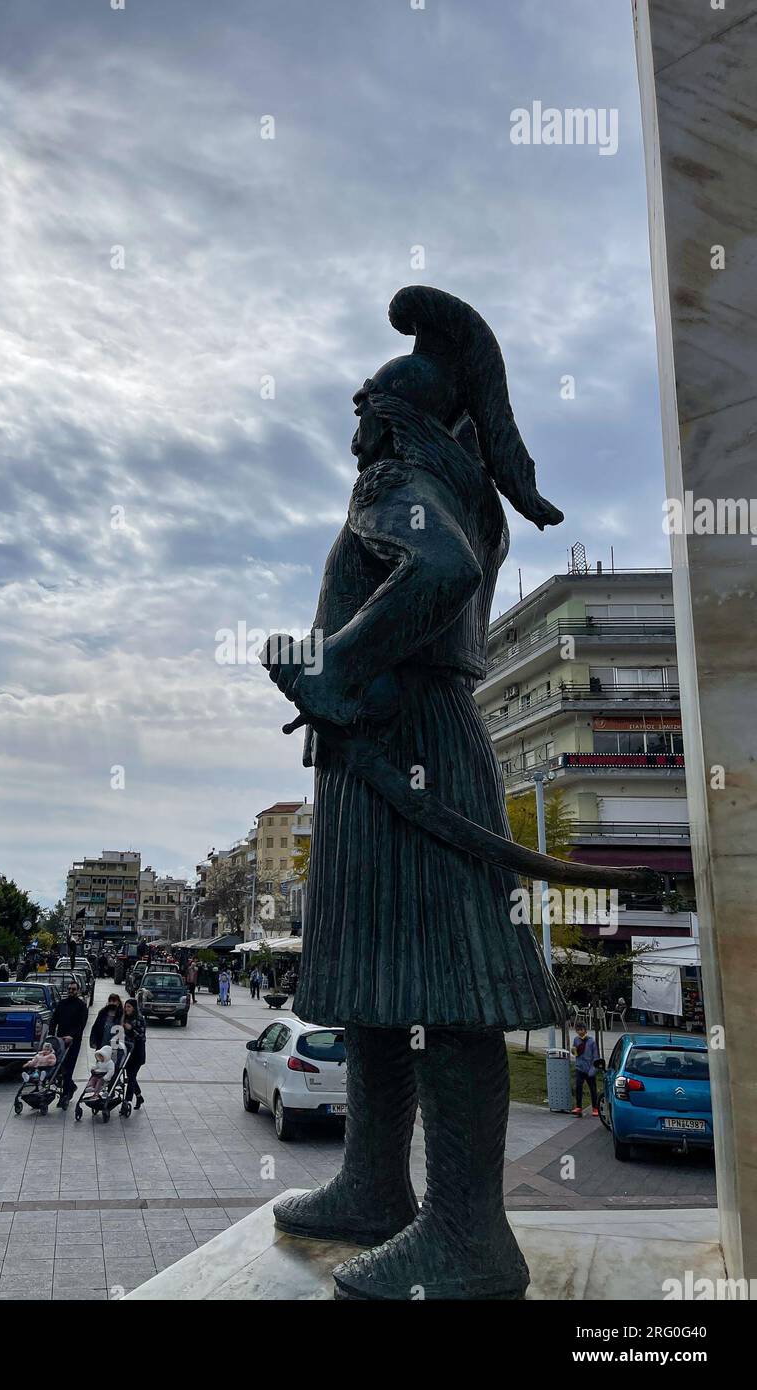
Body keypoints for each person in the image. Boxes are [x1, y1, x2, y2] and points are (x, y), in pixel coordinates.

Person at [261, 284, 565, 1301]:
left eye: (362, 411)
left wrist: (338, 665)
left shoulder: (401, 477)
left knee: (444, 986)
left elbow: (434, 570)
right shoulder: (452, 481)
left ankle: (469, 1234)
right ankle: (373, 1184)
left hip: (410, 745)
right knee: (383, 986)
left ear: (389, 418)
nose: (354, 430)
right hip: (389, 750)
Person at [49, 981, 88, 1107]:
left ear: (78, 990)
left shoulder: (81, 1006)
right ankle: (71, 1087)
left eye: (74, 989)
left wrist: (72, 1036)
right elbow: (54, 1020)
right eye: (69, 989)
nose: (71, 991)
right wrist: (51, 1035)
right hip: (60, 1041)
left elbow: (81, 1024)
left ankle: (65, 1094)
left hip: (73, 1042)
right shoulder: (62, 1004)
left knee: (68, 1069)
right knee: (59, 1068)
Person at [120, 999, 146, 1110]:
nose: (127, 1009)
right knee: (131, 1077)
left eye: (129, 1007)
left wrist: (131, 1029)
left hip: (137, 1053)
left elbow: (141, 1035)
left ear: (134, 1008)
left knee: (131, 1077)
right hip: (127, 1053)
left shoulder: (139, 1019)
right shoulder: (124, 1019)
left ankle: (127, 1100)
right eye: (126, 1007)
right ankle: (139, 1096)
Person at [572, 1024, 599, 1116]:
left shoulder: (591, 1042)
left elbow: (595, 1056)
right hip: (580, 1067)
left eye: (581, 1030)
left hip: (590, 1068)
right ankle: (578, 1106)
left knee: (592, 1088)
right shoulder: (576, 1040)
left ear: (585, 1030)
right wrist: (574, 1051)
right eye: (578, 1030)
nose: (580, 1032)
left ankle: (595, 1107)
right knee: (578, 1087)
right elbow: (575, 1053)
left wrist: (593, 1070)